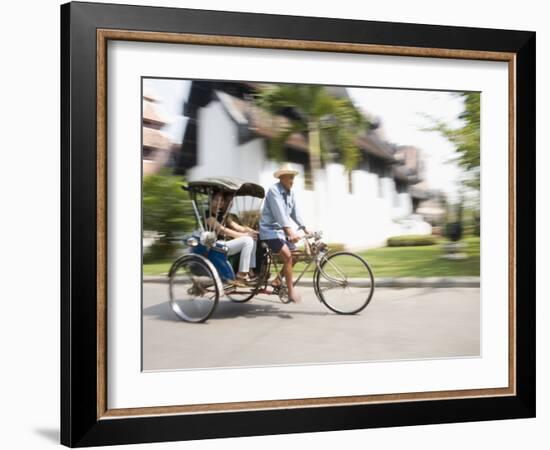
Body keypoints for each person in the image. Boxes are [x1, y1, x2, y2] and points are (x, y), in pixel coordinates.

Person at [259, 163, 309, 303]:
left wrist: (304, 227)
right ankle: (291, 289)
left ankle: (277, 280)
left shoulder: (290, 193)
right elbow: (280, 213)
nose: (292, 181)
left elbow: (295, 212)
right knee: (287, 256)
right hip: (269, 232)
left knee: (296, 255)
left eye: (293, 177)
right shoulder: (274, 191)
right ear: (281, 178)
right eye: (289, 177)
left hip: (281, 232)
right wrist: (289, 231)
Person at [205, 191, 259, 285]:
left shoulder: (224, 216)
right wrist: (244, 236)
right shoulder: (208, 216)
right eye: (217, 200)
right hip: (215, 246)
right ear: (210, 200)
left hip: (224, 245)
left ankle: (250, 271)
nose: (220, 202)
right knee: (247, 240)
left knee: (252, 239)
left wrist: (253, 232)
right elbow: (222, 230)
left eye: (221, 200)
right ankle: (241, 275)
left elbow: (238, 227)